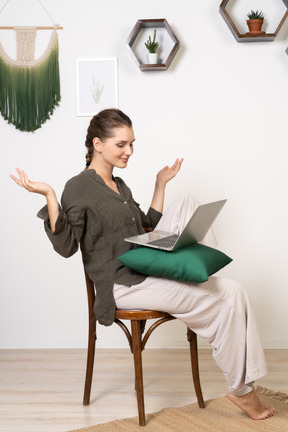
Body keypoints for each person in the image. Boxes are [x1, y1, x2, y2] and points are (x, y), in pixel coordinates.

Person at [10, 108, 275, 420]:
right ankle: (242, 391)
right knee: (229, 295)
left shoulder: (120, 186)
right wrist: (50, 196)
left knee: (225, 272)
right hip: (121, 284)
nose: (129, 151)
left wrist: (160, 184)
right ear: (97, 144)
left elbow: (146, 229)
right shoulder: (78, 187)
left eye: (132, 144)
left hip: (145, 267)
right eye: (121, 145)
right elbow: (67, 246)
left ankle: (197, 281)